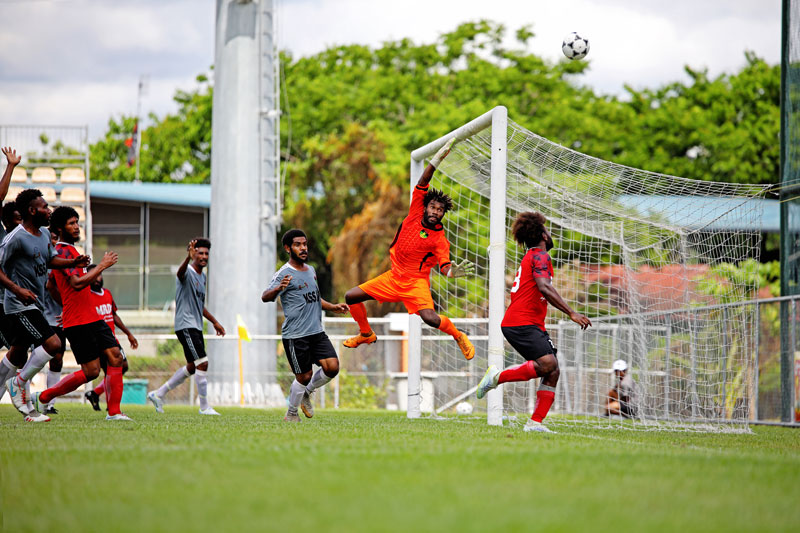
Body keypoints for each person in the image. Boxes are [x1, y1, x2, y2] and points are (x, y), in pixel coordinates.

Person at [342, 138, 476, 359]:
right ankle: (365, 333)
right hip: (394, 277)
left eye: (440, 209)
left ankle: (458, 335)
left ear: (443, 214)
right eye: (433, 206)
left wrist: (453, 272)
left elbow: (444, 267)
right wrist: (436, 160)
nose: (435, 211)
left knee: (431, 319)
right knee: (351, 296)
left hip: (416, 282)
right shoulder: (415, 211)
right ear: (425, 207)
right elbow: (423, 181)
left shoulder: (439, 239)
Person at [476, 212, 592, 433]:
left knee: (553, 370)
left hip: (527, 323)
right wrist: (571, 313)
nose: (550, 234)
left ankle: (535, 423)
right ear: (543, 235)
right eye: (547, 230)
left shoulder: (533, 255)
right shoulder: (540, 255)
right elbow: (544, 287)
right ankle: (497, 377)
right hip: (521, 322)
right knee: (549, 365)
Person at [25, 205, 129, 421]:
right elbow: (77, 283)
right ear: (60, 228)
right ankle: (43, 396)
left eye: (77, 222)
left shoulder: (71, 252)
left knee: (115, 357)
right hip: (79, 322)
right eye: (71, 223)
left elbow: (52, 285)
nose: (76, 227)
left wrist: (68, 305)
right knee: (91, 372)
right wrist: (101, 266)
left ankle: (115, 413)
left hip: (90, 316)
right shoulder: (63, 251)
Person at [1, 195, 91, 422]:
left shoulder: (42, 236)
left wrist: (73, 262)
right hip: (18, 305)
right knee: (53, 344)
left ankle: (29, 411)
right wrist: (16, 289)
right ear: (32, 210)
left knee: (17, 355)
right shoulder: (15, 238)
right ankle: (19, 383)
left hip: (35, 304)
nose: (49, 210)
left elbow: (50, 260)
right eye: (44, 207)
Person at [262, 229, 349, 422]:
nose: (303, 248)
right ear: (287, 248)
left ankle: (307, 393)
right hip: (296, 335)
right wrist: (279, 288)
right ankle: (291, 414)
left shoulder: (311, 270)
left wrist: (333, 306)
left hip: (316, 332)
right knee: (304, 375)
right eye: (298, 245)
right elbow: (265, 296)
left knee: (332, 367)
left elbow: (315, 297)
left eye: (305, 244)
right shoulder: (283, 273)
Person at [148, 238, 225, 415]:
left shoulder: (203, 277)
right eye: (200, 253)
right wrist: (187, 258)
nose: (204, 257)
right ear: (193, 254)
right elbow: (180, 274)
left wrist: (214, 321)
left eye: (206, 253)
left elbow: (199, 304)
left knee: (193, 366)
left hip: (196, 326)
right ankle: (204, 407)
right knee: (203, 363)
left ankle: (158, 394)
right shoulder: (187, 271)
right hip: (185, 325)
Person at [83, 266, 138, 411]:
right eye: (93, 276)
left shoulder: (107, 293)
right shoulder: (86, 295)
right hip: (98, 340)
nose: (97, 278)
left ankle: (95, 393)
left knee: (122, 367)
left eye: (99, 275)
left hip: (112, 339)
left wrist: (128, 333)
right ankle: (112, 407)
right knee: (108, 371)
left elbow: (113, 315)